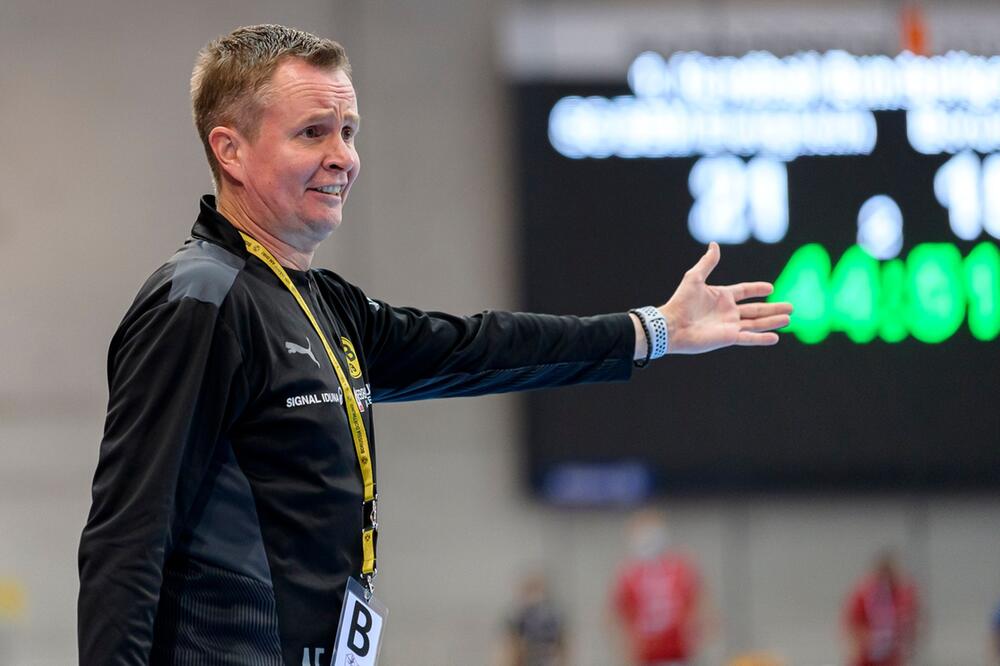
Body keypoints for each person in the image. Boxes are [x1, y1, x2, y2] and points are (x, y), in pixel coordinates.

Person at [76, 24, 792, 665]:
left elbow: (476, 347)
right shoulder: (200, 303)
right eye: (312, 133)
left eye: (350, 132)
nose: (344, 158)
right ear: (229, 149)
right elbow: (127, 537)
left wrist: (653, 330)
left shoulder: (320, 305)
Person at [610, 509, 704, 666]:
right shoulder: (628, 575)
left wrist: (695, 635)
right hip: (645, 657)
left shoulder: (680, 568)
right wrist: (627, 648)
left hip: (678, 653)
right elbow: (616, 615)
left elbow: (699, 605)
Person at [842, 551, 920, 666]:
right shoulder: (863, 595)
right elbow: (853, 625)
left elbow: (913, 623)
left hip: (892, 657)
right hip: (867, 657)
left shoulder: (903, 595)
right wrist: (865, 642)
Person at [501, 572, 568, 666]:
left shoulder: (554, 617)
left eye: (537, 589)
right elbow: (512, 647)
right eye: (531, 589)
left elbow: (562, 645)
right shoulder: (518, 616)